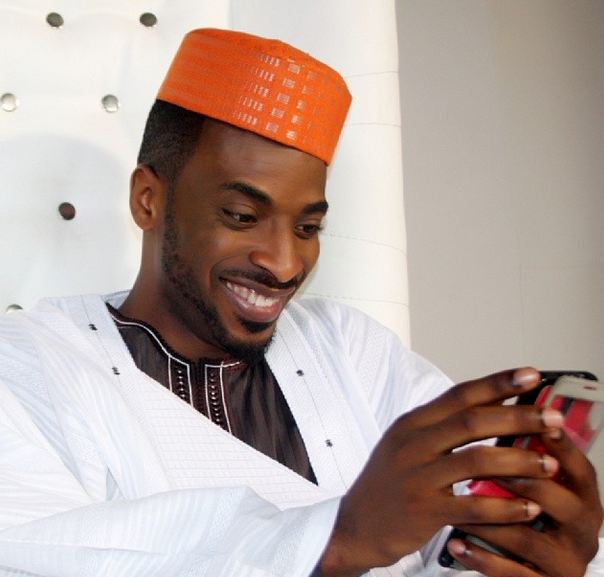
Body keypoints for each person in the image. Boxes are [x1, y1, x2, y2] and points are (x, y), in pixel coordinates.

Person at [0, 28, 601, 577]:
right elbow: (34, 553)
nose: (284, 264)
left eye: (308, 228)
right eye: (242, 216)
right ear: (149, 200)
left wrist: (538, 551)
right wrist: (339, 540)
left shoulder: (348, 346)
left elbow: (462, 539)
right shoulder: (26, 366)